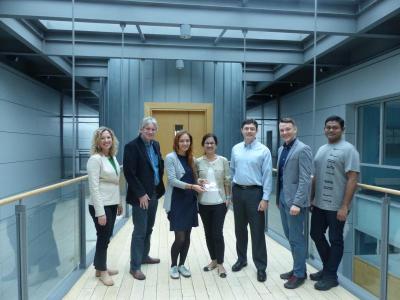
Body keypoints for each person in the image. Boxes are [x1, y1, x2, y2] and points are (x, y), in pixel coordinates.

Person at [310, 115, 360, 291]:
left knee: (335, 239)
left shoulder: (349, 150)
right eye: (328, 127)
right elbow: (315, 175)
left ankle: (331, 276)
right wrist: (311, 197)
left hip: (337, 206)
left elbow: (353, 179)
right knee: (315, 233)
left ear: (342, 129)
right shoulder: (322, 148)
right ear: (324, 129)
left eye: (335, 127)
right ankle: (328, 269)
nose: (330, 130)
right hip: (319, 203)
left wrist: (344, 206)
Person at [123, 116, 165, 280]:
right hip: (141, 197)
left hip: (153, 193)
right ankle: (135, 267)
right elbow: (129, 173)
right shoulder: (131, 147)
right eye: (147, 128)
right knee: (140, 230)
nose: (150, 131)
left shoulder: (155, 144)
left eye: (153, 129)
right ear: (141, 129)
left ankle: (144, 256)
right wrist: (141, 194)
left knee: (149, 228)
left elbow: (157, 165)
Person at [230, 119, 272, 282]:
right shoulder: (236, 149)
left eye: (252, 129)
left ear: (256, 131)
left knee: (257, 231)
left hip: (255, 193)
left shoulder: (264, 151)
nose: (249, 131)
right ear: (241, 130)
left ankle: (261, 267)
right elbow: (232, 169)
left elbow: (268, 175)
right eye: (246, 128)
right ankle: (242, 259)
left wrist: (265, 198)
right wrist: (232, 193)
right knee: (239, 229)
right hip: (238, 192)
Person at [276, 118, 312, 289]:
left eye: (288, 129)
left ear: (295, 129)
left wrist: (297, 203)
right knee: (291, 237)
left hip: (295, 203)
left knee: (297, 239)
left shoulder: (303, 149)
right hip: (283, 199)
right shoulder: (282, 148)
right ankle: (298, 268)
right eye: (282, 130)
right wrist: (278, 199)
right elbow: (282, 177)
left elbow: (305, 180)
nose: (285, 132)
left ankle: (299, 275)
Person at [164, 130, 205, 279]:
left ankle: (182, 264)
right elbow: (173, 180)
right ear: (176, 142)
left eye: (187, 141)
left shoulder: (191, 159)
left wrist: (199, 182)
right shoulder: (170, 157)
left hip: (189, 201)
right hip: (176, 201)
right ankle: (173, 266)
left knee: (187, 236)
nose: (185, 143)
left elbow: (193, 178)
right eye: (182, 141)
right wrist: (193, 186)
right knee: (179, 237)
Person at [87, 126, 123, 286]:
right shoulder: (95, 159)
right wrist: (100, 213)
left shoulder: (112, 157)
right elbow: (94, 187)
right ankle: (102, 272)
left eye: (109, 137)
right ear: (97, 141)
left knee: (105, 237)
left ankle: (99, 267)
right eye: (103, 138)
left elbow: (115, 182)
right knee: (103, 238)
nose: (106, 140)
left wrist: (119, 202)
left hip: (111, 203)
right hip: (100, 206)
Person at [196, 133, 231, 278]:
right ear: (203, 145)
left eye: (212, 143)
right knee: (208, 233)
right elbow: (194, 179)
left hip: (219, 203)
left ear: (216, 145)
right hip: (203, 203)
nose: (209, 145)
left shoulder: (223, 160)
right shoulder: (198, 162)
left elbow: (227, 180)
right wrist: (198, 180)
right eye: (207, 143)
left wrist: (228, 197)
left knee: (217, 233)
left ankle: (221, 264)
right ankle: (214, 260)